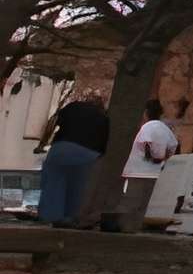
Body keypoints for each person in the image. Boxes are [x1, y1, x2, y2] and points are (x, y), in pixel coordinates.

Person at [35, 90, 110, 226]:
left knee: (54, 182)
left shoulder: (73, 107)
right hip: (88, 154)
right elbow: (104, 145)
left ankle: (50, 217)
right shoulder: (104, 118)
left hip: (61, 148)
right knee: (78, 188)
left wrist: (42, 143)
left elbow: (52, 123)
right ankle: (71, 219)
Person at [115, 99, 178, 232]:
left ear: (146, 112)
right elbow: (173, 145)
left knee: (131, 200)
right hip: (154, 172)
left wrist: (153, 155)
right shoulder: (165, 129)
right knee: (143, 202)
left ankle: (124, 226)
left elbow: (146, 142)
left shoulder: (148, 127)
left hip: (138, 170)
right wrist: (164, 157)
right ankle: (135, 226)